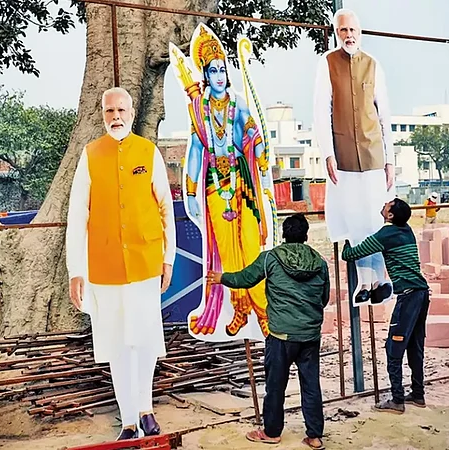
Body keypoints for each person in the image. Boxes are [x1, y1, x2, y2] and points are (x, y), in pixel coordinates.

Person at [66, 87, 177, 440]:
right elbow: (77, 216)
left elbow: (165, 208)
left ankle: (146, 408)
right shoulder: (90, 155)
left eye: (121, 110)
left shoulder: (148, 152)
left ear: (131, 112)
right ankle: (128, 420)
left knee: (144, 340)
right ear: (102, 114)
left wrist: (168, 257)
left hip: (145, 262)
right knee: (117, 344)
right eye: (109, 110)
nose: (116, 116)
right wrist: (76, 270)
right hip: (104, 267)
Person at [173, 23, 273, 338]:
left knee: (251, 251)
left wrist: (259, 148)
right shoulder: (199, 110)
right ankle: (240, 309)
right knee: (228, 254)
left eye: (223, 70)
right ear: (204, 73)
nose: (219, 75)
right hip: (215, 185)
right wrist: (190, 189)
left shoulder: (238, 103)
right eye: (213, 70)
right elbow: (196, 149)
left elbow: (252, 131)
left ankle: (264, 311)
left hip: (242, 181)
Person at [207, 214, 329, 449]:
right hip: (310, 336)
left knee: (275, 386)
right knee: (311, 386)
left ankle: (272, 432)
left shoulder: (270, 259)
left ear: (283, 234)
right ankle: (314, 436)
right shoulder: (320, 262)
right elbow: (323, 298)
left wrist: (221, 277)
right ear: (306, 235)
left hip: (281, 336)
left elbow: (246, 278)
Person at [314, 8, 396, 306]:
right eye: (343, 30)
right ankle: (368, 279)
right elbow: (321, 111)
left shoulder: (374, 65)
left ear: (360, 32)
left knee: (375, 217)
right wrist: (327, 154)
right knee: (354, 217)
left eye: (353, 30)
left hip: (374, 153)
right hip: (343, 154)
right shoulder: (327, 63)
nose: (349, 35)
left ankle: (377, 279)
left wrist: (391, 160)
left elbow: (384, 114)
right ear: (337, 33)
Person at [341, 198, 431, 414]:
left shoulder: (386, 234)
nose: (383, 205)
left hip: (408, 296)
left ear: (390, 216)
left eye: (387, 205)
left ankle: (397, 400)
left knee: (394, 348)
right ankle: (418, 394)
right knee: (415, 345)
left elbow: (350, 255)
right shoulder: (406, 229)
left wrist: (346, 237)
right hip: (421, 293)